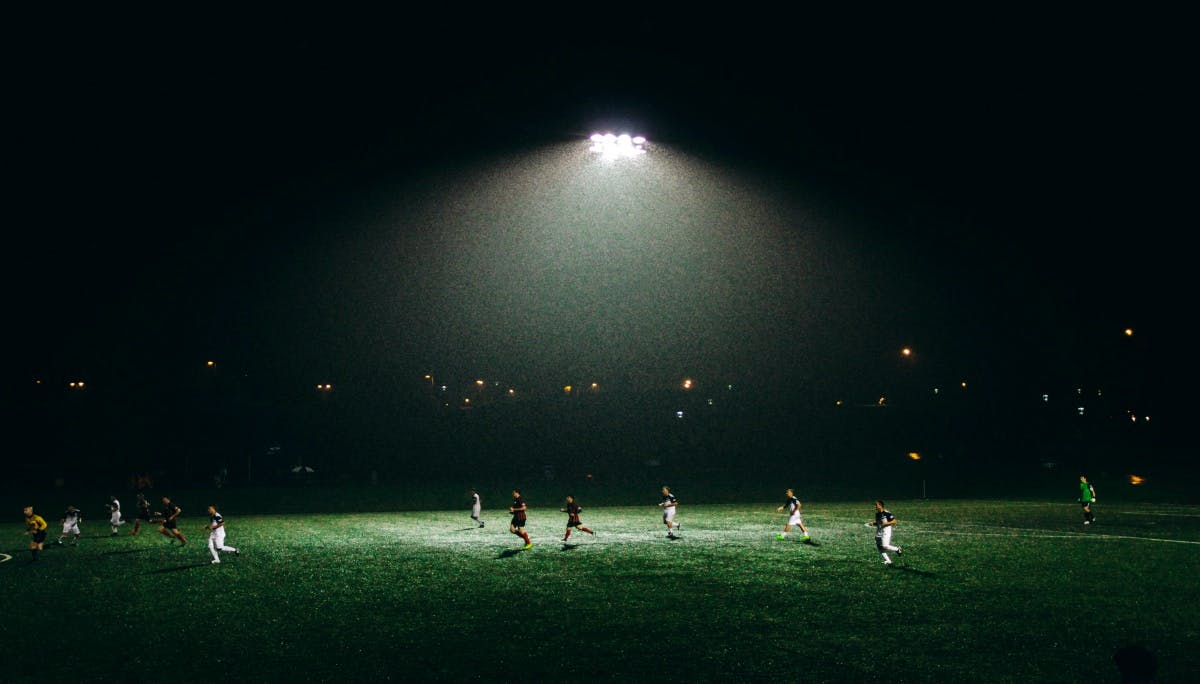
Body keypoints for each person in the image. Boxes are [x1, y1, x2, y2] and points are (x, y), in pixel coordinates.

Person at [867, 500, 902, 565]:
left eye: (876, 505)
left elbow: (894, 521)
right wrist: (873, 523)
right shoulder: (877, 514)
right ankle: (888, 561)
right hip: (879, 531)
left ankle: (897, 549)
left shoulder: (887, 513)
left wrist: (886, 523)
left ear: (880, 505)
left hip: (886, 530)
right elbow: (879, 523)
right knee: (879, 546)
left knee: (885, 546)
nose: (875, 506)